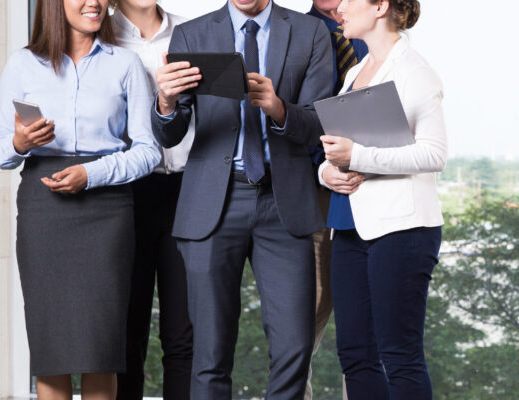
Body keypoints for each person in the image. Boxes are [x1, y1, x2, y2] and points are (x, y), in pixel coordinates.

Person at [151, 0, 333, 398]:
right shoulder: (192, 34)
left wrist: (279, 108)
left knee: (294, 348)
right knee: (209, 353)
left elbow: (320, 123)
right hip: (213, 204)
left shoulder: (310, 32)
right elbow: (170, 133)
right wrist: (164, 102)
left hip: (284, 205)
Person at [0, 0, 161, 398]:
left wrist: (92, 174)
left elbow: (148, 151)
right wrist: (20, 142)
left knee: (100, 347)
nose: (94, 2)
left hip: (107, 212)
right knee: (53, 350)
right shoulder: (22, 64)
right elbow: (0, 152)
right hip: (43, 210)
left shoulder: (125, 64)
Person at [318, 0, 447, 399]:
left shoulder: (416, 72)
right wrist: (327, 174)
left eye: (350, 0)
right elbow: (333, 153)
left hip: (403, 230)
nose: (340, 6)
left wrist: (357, 157)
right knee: (355, 354)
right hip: (352, 228)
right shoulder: (356, 72)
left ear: (379, 7)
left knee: (400, 356)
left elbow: (433, 154)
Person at [109, 1, 194, 399]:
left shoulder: (193, 33)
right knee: (127, 329)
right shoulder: (100, 36)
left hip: (188, 191)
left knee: (183, 333)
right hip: (126, 194)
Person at [305, 1, 368, 399]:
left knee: (362, 315)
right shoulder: (294, 31)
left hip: (365, 187)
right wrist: (324, 167)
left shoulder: (368, 35)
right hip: (308, 192)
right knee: (306, 312)